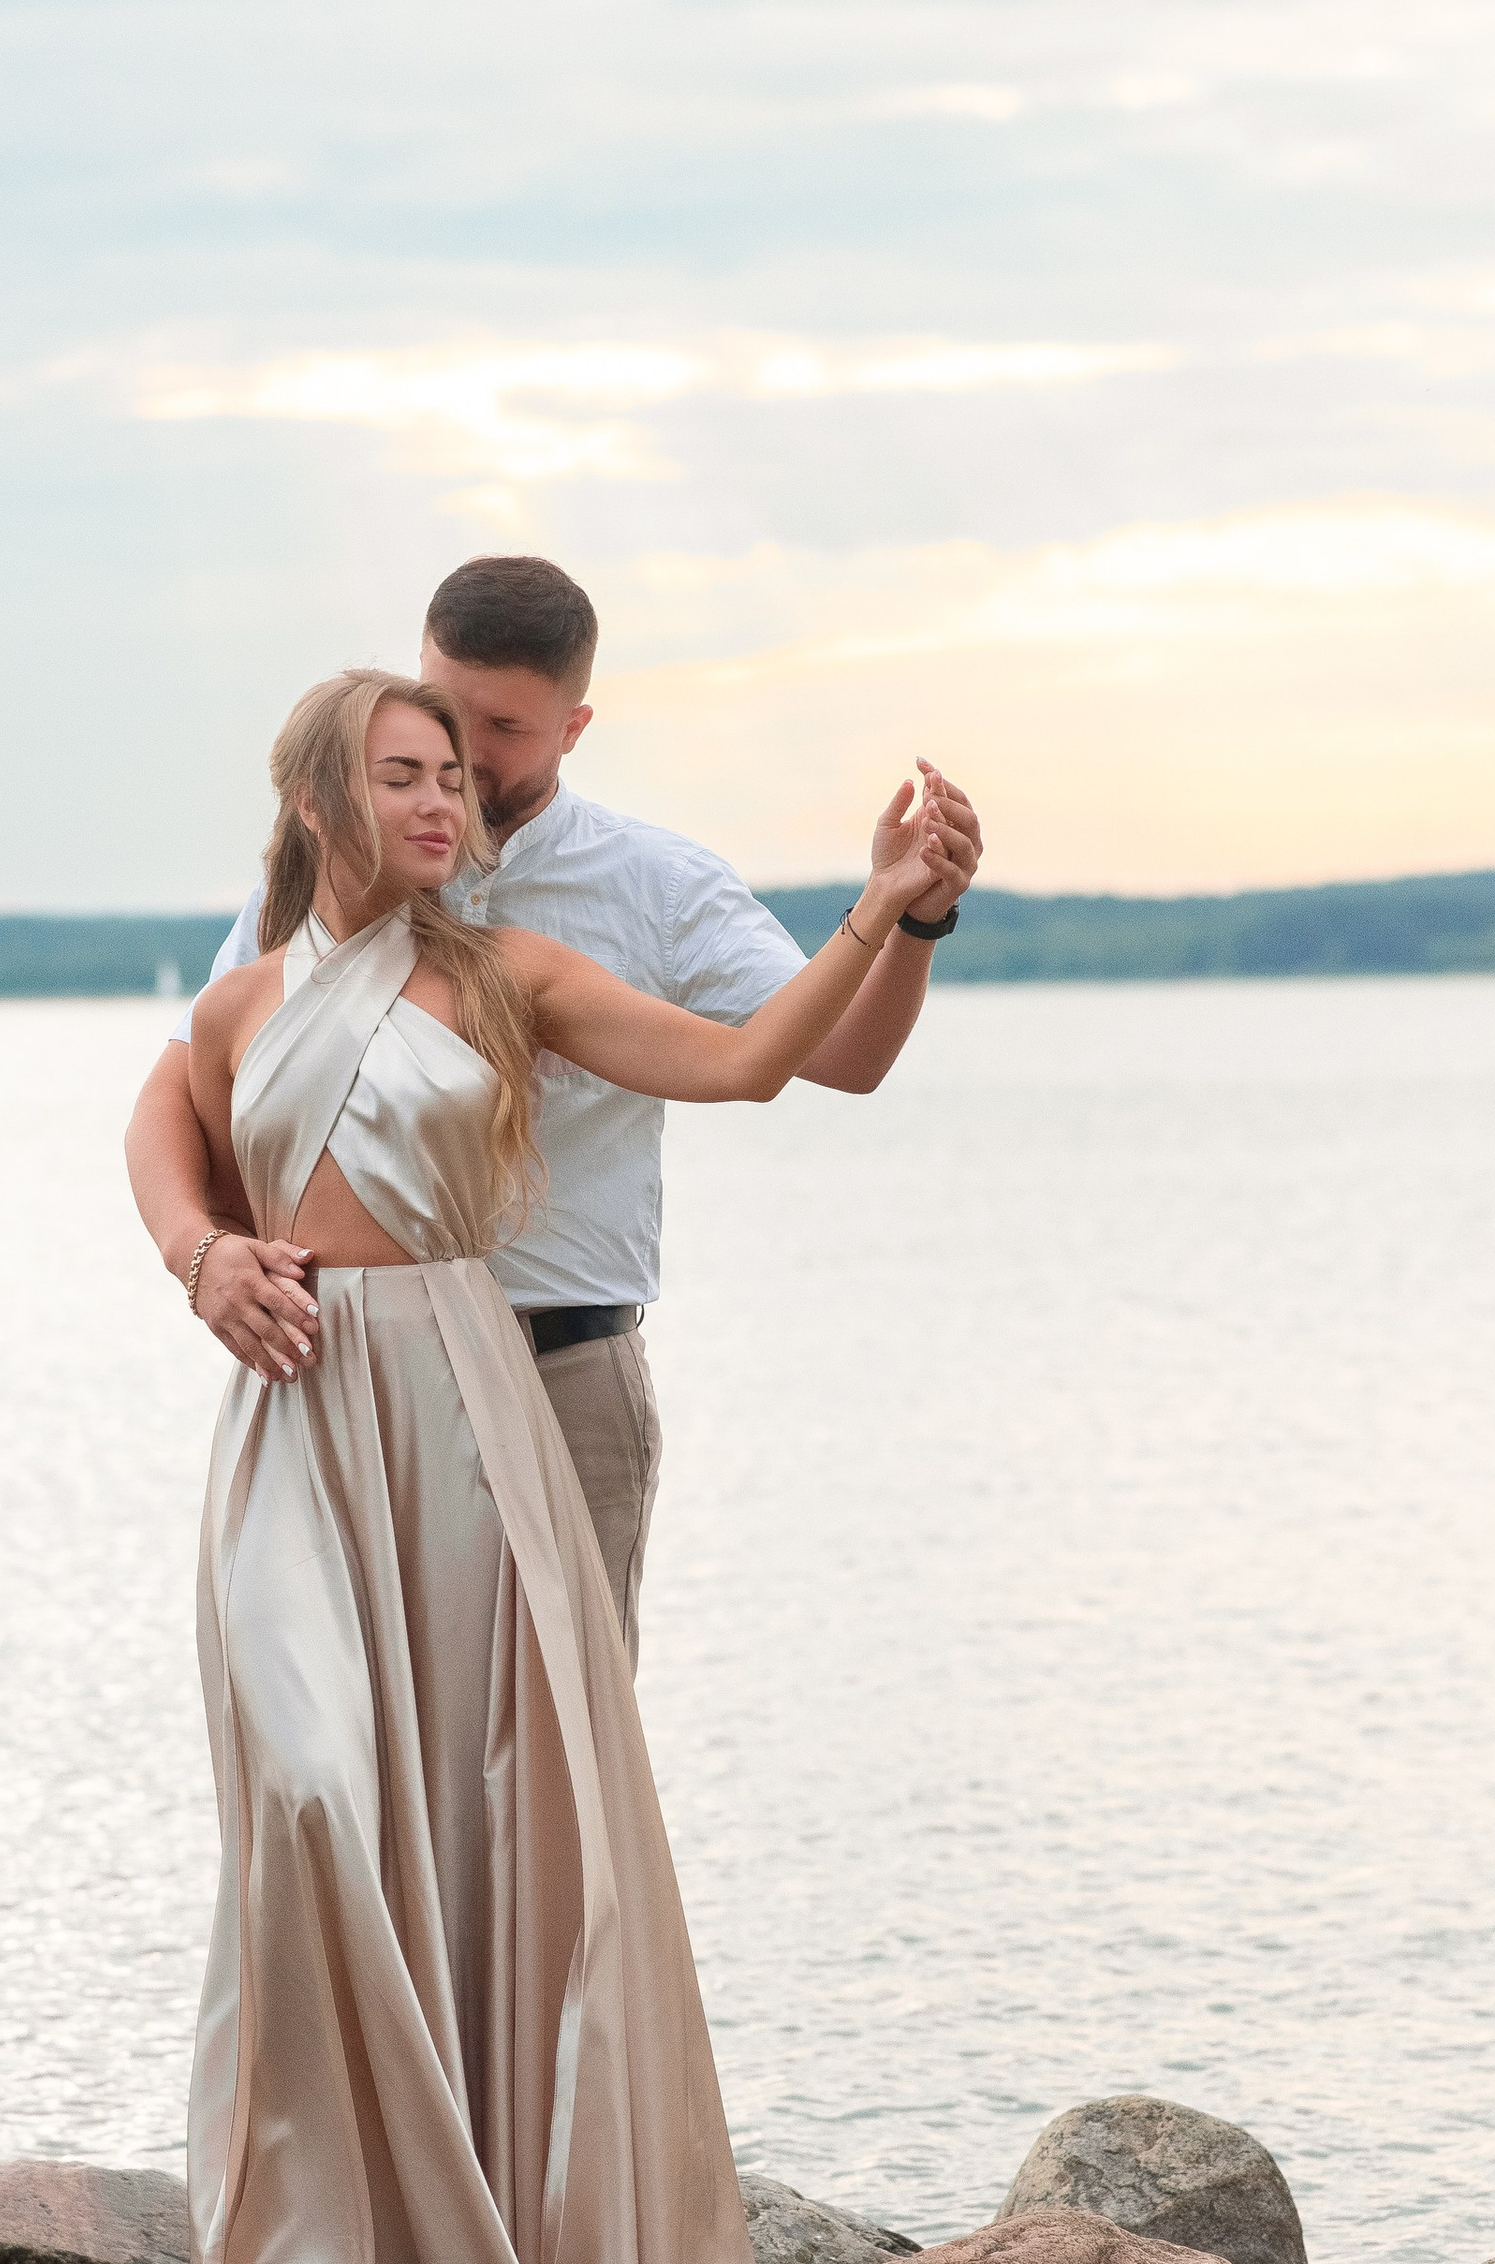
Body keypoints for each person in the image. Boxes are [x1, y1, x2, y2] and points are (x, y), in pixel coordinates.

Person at [165, 664, 962, 2264]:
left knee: (496, 1812)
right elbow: (164, 1127)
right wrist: (201, 1254)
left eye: (455, 772)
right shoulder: (243, 1001)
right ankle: (318, 2241)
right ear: (319, 804)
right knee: (309, 1785)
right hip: (298, 1421)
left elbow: (751, 1064)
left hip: (467, 1404)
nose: (442, 802)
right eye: (403, 776)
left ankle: (499, 2245)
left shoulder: (510, 973)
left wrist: (884, 915)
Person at [127, 555, 981, 1656]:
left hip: (559, 1372)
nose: (462, 764)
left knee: (549, 1757)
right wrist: (201, 1255)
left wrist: (907, 921)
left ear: (574, 728)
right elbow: (179, 1098)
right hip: (340, 1388)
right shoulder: (297, 908)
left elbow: (825, 1059)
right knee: (337, 1742)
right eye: (440, 719)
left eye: (502, 730)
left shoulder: (656, 888)